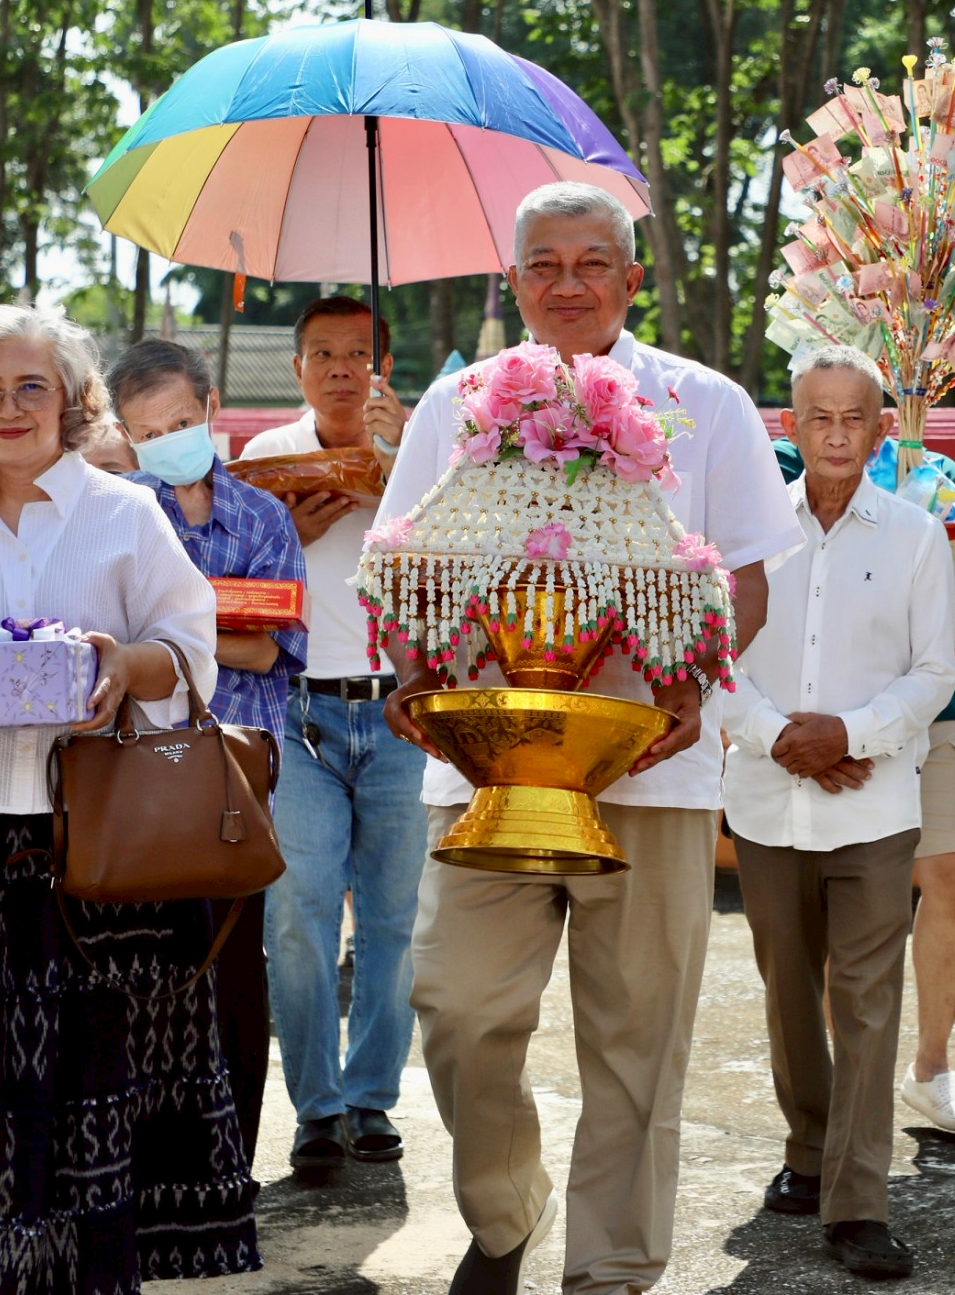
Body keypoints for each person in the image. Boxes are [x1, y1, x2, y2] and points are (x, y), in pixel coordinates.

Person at [379, 181, 802, 1295]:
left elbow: (750, 575)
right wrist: (416, 676)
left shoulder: (700, 404)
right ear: (512, 281)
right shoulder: (458, 401)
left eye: (592, 262)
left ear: (630, 277)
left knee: (635, 1040)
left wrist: (691, 694)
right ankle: (502, 1208)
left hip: (651, 767)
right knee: (458, 1006)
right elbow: (403, 561)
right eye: (544, 265)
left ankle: (610, 1269)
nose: (568, 284)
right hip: (485, 765)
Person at [0, 303, 259, 1291]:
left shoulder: (123, 513)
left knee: (92, 1080)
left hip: (101, 844)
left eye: (31, 385)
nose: (6, 406)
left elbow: (190, 652)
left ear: (73, 401)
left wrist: (120, 662)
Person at [725, 346, 955, 1280]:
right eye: (816, 415)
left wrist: (852, 735)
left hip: (876, 805)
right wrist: (784, 738)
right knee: (787, 988)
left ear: (878, 427)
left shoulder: (916, 535)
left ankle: (857, 1201)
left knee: (866, 998)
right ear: (790, 426)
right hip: (765, 795)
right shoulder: (746, 535)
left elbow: (935, 671)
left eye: (852, 416)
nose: (833, 432)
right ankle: (809, 1144)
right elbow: (709, 660)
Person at [109, 336, 308, 1161]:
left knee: (233, 963)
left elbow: (272, 651)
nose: (169, 441)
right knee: (137, 968)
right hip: (131, 773)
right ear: (126, 436)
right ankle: (143, 1159)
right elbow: (108, 637)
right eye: (149, 431)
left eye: (182, 420)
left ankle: (233, 1162)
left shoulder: (265, 517)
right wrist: (213, 623)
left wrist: (170, 632)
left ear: (212, 408)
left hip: (236, 777)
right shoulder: (113, 512)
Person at [238, 295, 424, 1182]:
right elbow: (220, 580)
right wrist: (289, 531)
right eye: (324, 353)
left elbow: (465, 555)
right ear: (299, 369)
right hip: (299, 714)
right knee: (298, 918)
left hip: (402, 709)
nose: (343, 367)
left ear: (384, 364)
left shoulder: (431, 447)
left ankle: (372, 1097)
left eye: (360, 352)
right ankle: (315, 1107)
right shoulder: (266, 463)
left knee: (393, 920)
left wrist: (394, 468)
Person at [773, 432, 955, 1136]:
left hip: (934, 711)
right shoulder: (782, 464)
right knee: (823, 914)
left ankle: (931, 1069)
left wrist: (946, 619)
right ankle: (834, 1091)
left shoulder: (929, 466)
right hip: (821, 719)